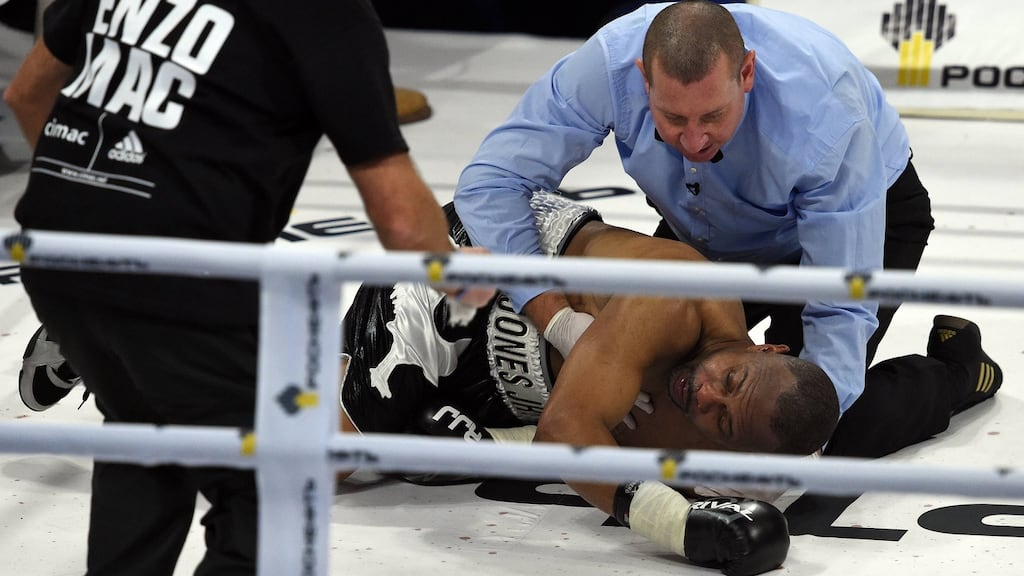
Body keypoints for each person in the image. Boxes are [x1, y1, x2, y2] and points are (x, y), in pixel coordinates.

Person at [4, 1, 491, 574]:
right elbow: (404, 222)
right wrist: (454, 277)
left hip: (54, 255)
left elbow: (27, 93)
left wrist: (95, 206)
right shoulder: (327, 15)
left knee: (143, 442)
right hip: (178, 281)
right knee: (272, 492)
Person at [337, 192, 1001, 575]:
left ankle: (956, 372)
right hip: (474, 281)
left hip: (521, 386)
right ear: (766, 344)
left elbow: (775, 439)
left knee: (843, 433)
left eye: (720, 421)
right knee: (327, 459)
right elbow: (565, 432)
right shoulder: (674, 298)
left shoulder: (756, 458)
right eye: (729, 379)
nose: (704, 395)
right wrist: (674, 525)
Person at [452, 0, 936, 454]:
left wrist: (795, 453)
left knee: (792, 424)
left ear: (746, 73)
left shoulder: (825, 114)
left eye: (713, 115)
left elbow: (839, 312)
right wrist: (553, 316)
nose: (694, 139)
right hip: (708, 231)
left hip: (865, 219)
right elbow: (492, 181)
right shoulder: (607, 67)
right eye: (672, 117)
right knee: (640, 401)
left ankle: (955, 373)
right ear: (643, 80)